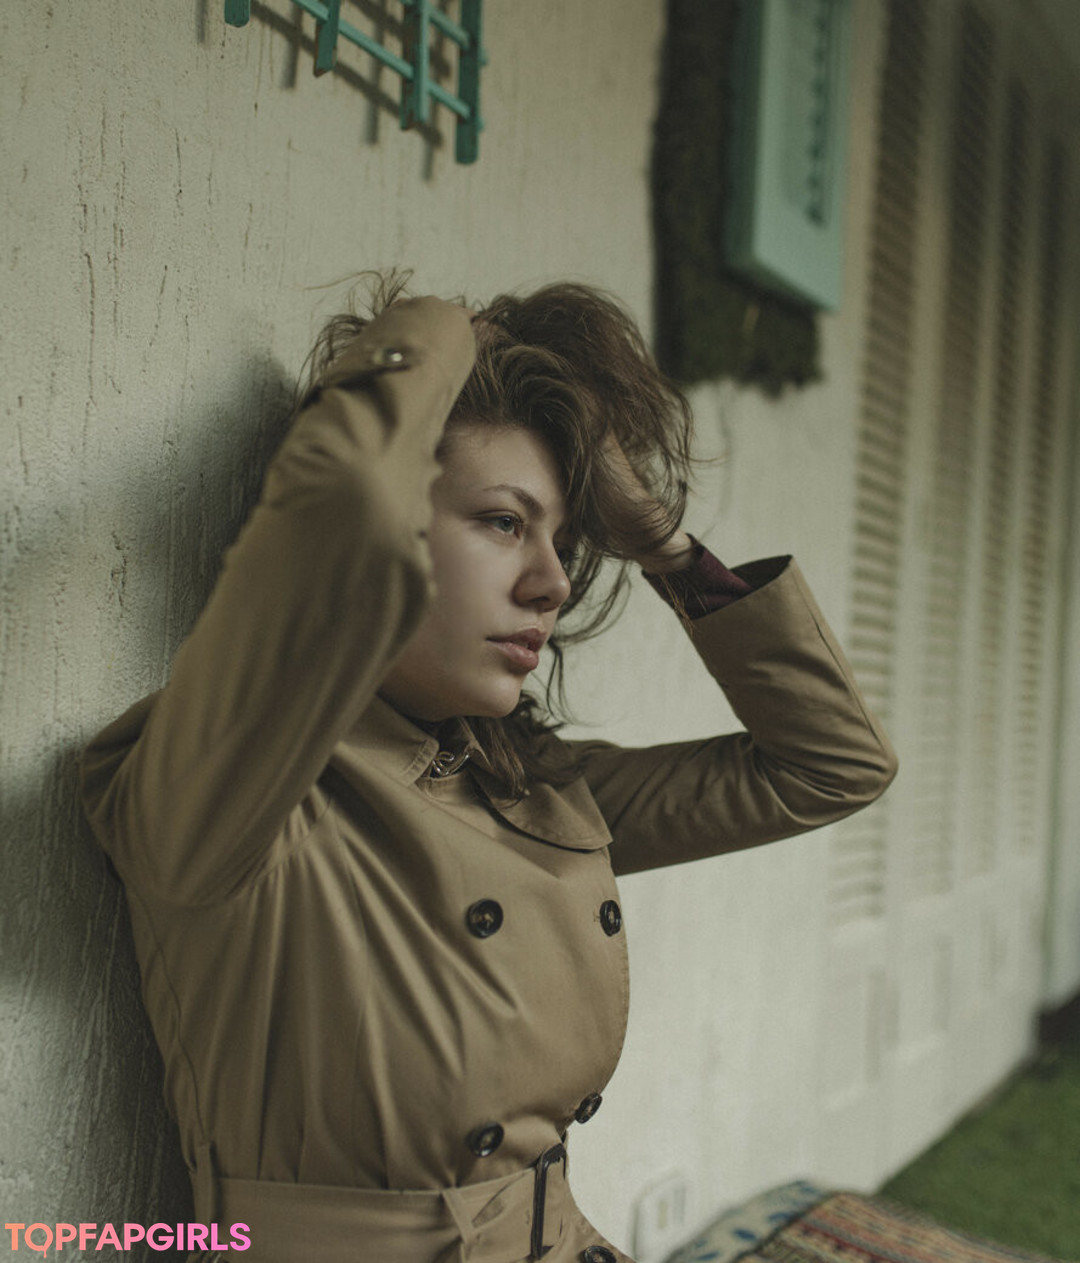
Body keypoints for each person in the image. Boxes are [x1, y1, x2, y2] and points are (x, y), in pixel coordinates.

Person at [81, 278, 897, 1263]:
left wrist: (663, 545)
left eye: (563, 540)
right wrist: (442, 331)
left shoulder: (528, 785)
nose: (552, 583)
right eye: (506, 523)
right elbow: (338, 494)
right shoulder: (228, 795)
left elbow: (831, 765)